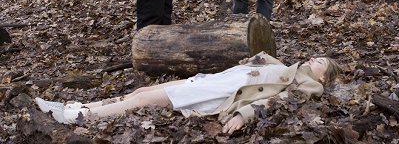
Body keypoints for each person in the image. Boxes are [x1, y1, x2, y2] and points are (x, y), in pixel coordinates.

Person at [36, 51, 341, 134]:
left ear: (324, 78)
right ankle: (79, 105)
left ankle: (78, 117)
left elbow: (275, 100)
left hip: (223, 93)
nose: (316, 59)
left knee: (144, 100)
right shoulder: (290, 66)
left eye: (322, 63)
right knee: (144, 89)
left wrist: (244, 115)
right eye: (318, 57)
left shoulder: (307, 86)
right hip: (217, 79)